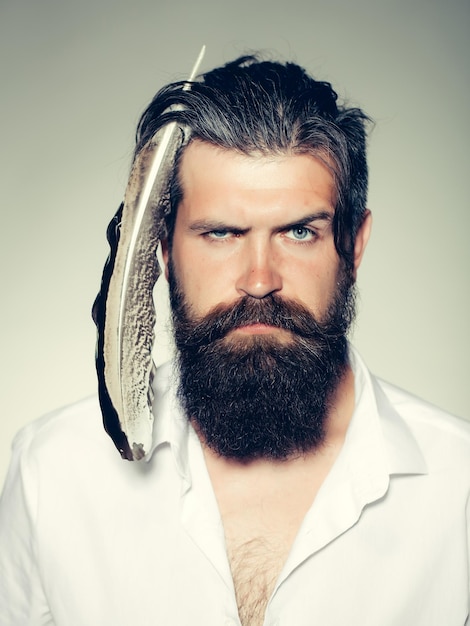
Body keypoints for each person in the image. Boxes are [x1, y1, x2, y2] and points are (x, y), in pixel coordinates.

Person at [0, 55, 469, 626]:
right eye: (221, 233)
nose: (259, 278)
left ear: (354, 244)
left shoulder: (458, 488)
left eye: (300, 232)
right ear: (162, 249)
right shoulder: (53, 471)